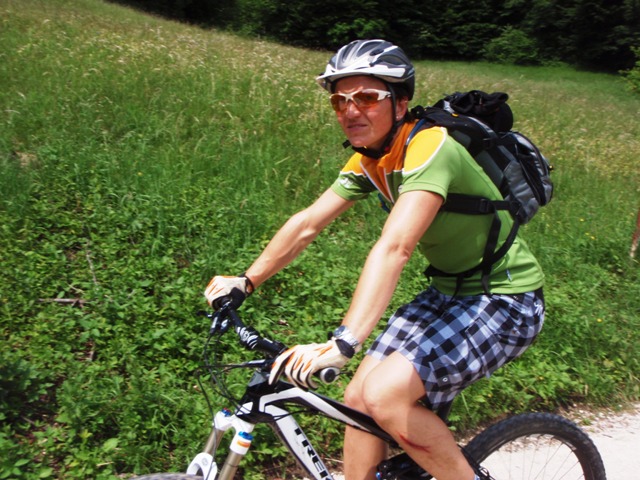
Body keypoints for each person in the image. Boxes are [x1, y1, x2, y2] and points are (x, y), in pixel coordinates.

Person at [205, 39, 545, 480]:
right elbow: (308, 223)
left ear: (400, 104)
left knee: (384, 396)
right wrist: (246, 280)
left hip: (506, 299)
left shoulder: (430, 146)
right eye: (339, 101)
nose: (350, 110)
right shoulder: (372, 159)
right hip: (447, 292)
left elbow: (394, 247)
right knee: (358, 401)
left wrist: (344, 342)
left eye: (366, 98)